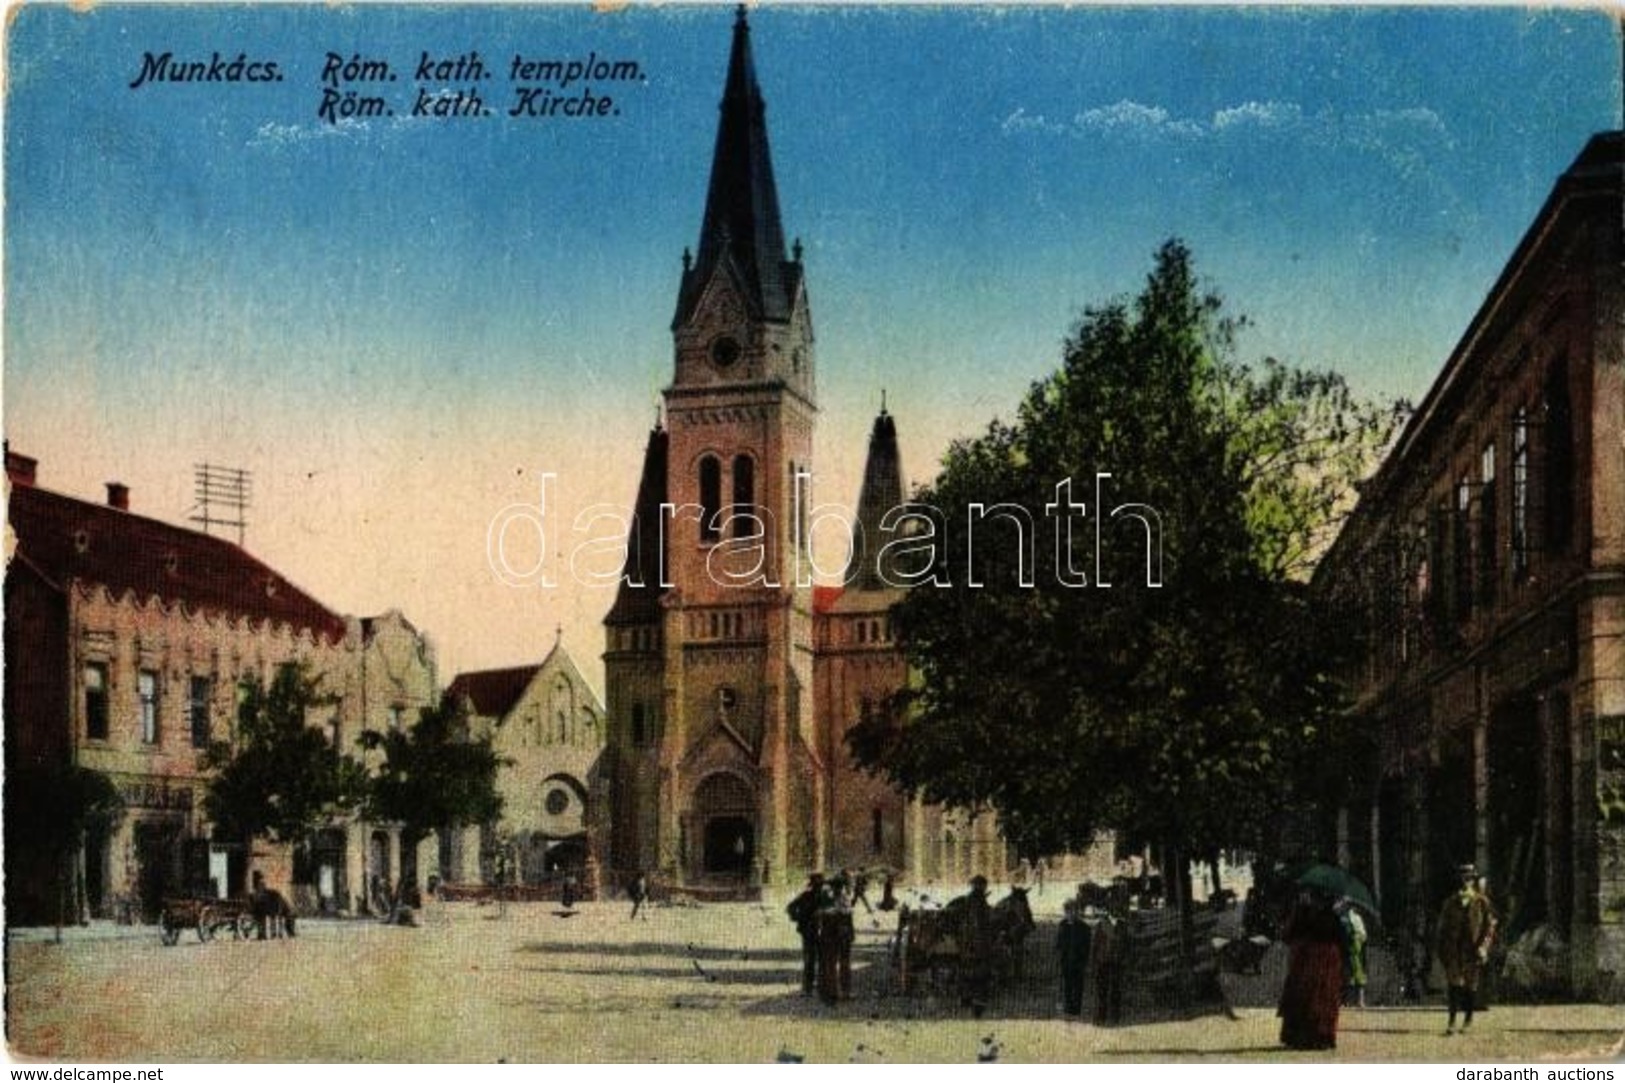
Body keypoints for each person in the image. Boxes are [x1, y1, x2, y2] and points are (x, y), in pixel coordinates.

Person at [1436, 863, 1498, 1036]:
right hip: (1454, 950)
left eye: (1470, 878)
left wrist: (1484, 947)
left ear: (1474, 881)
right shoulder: (1450, 903)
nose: (1467, 882)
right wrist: (1443, 952)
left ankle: (1468, 1020)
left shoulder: (1481, 902)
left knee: (1471, 987)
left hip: (1472, 950)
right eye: (1464, 878)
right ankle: (1452, 1022)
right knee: (1454, 985)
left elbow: (1490, 927)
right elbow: (1442, 929)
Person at [1277, 891, 1343, 1050]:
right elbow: (1341, 938)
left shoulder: (1302, 912)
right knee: (1320, 998)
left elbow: (1287, 935)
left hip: (1306, 958)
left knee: (1305, 997)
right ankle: (1321, 1036)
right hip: (1324, 960)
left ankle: (1303, 1036)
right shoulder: (1330, 915)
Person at [955, 875, 996, 1015]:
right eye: (983, 885)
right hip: (979, 941)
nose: (984, 888)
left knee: (967, 969)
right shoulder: (978, 901)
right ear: (981, 886)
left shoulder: (969, 900)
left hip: (967, 941)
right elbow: (984, 921)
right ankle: (977, 1003)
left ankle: (965, 998)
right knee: (981, 972)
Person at [787, 873, 826, 995]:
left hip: (818, 931)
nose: (817, 887)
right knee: (813, 959)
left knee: (815, 959)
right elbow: (790, 907)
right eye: (817, 885)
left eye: (819, 885)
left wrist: (798, 918)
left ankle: (813, 987)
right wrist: (800, 918)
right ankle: (810, 987)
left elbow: (791, 908)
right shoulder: (808, 896)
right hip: (812, 931)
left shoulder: (822, 897)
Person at [816, 888, 854, 1004]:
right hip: (842, 936)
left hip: (830, 937)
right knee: (844, 963)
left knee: (831, 964)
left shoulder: (824, 905)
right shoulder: (844, 901)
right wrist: (851, 934)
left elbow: (819, 923)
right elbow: (849, 919)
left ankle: (832, 991)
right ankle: (844, 991)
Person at [1089, 905, 1125, 1026]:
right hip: (1102, 961)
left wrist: (1125, 959)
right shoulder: (1101, 925)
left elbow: (1127, 945)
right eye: (1112, 910)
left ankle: (1115, 1017)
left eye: (1117, 910)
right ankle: (1100, 1018)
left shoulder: (1123, 926)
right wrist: (1094, 963)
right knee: (1101, 990)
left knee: (1116, 990)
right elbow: (1095, 945)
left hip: (1117, 962)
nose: (1115, 913)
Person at [1056, 899, 1092, 1018]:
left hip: (1078, 962)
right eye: (1067, 911)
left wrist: (1084, 962)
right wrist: (1060, 956)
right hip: (1066, 961)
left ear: (1076, 912)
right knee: (1067, 985)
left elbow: (1087, 947)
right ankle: (1068, 1008)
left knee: (1078, 986)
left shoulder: (1084, 927)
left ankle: (1076, 1009)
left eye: (1073, 911)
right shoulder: (1062, 925)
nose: (1070, 914)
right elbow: (1059, 943)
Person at [1338, 900, 1368, 1008]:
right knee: (1345, 976)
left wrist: (1357, 939)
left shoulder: (1356, 918)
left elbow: (1363, 935)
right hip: (1344, 950)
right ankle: (1345, 1001)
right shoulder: (1340, 917)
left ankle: (1358, 1001)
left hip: (1355, 952)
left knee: (1357, 975)